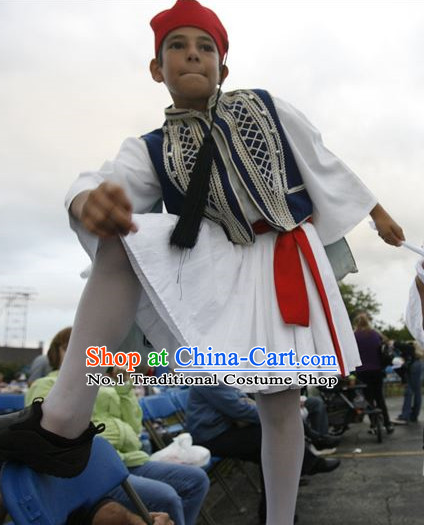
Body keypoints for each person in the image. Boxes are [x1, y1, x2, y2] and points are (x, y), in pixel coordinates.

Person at [0, 1, 404, 524]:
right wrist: (88, 202)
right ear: (156, 68)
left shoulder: (266, 106)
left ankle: (279, 520)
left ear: (223, 66)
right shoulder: (150, 147)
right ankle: (63, 420)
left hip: (277, 256)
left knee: (279, 401)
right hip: (212, 261)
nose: (193, 54)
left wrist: (377, 211)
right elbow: (96, 180)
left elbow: (323, 160)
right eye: (177, 46)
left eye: (205, 46)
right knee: (123, 237)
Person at [26, 327, 209, 525]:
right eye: (69, 346)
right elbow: (52, 435)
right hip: (92, 471)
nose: (79, 351)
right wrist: (115, 437)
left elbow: (133, 426)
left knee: (196, 480)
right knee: (166, 497)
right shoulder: (47, 385)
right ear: (56, 352)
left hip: (127, 460)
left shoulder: (106, 383)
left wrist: (123, 386)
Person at [186, 383, 340, 523]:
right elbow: (238, 409)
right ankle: (311, 458)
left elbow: (240, 398)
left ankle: (271, 513)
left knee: (272, 439)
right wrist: (271, 415)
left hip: (225, 428)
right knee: (268, 436)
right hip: (211, 436)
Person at [353, 312, 394, 434]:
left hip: (362, 372)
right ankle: (387, 424)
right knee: (379, 397)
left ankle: (373, 425)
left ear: (356, 323)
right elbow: (386, 346)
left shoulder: (354, 336)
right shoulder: (375, 334)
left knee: (369, 399)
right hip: (376, 370)